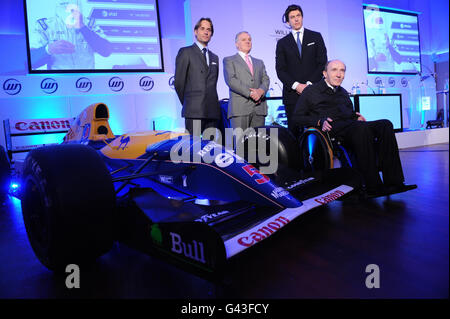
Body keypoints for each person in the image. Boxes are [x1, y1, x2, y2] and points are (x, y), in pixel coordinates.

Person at [293, 59, 416, 196]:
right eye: (334, 70)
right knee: (361, 129)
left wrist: (356, 117)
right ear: (325, 73)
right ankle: (372, 186)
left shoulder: (343, 92)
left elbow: (349, 114)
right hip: (332, 131)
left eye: (342, 70)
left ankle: (394, 182)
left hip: (351, 126)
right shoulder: (311, 91)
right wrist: (318, 121)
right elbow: (297, 118)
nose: (339, 74)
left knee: (385, 124)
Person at [275, 4, 327, 138]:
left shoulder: (316, 37)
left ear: (302, 17)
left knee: (316, 133)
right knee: (294, 135)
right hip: (292, 96)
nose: (296, 19)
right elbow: (280, 69)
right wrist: (297, 86)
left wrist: (309, 84)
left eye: (298, 16)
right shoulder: (282, 43)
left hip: (314, 93)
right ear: (288, 21)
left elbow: (322, 63)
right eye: (292, 17)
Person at [29, 0, 112, 70]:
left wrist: (83, 27)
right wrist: (49, 49)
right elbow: (31, 62)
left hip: (87, 81)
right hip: (59, 81)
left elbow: (106, 51)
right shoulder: (45, 26)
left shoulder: (89, 23)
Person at [174, 18, 220, 136]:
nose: (206, 32)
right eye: (202, 28)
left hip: (212, 111)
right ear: (195, 31)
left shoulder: (215, 57)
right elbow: (179, 83)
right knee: (193, 149)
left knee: (211, 150)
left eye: (209, 30)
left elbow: (213, 84)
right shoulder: (186, 52)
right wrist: (189, 103)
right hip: (194, 111)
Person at [223, 31, 270, 132]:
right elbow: (231, 80)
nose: (248, 42)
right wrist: (251, 93)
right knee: (241, 145)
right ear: (236, 44)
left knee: (258, 145)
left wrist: (260, 91)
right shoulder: (229, 60)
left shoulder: (259, 62)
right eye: (244, 40)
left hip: (259, 109)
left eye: (249, 40)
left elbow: (266, 79)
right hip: (240, 109)